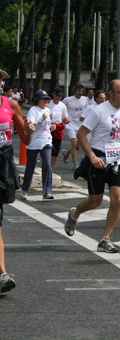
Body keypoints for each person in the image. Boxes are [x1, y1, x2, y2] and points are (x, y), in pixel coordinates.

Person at [63, 80, 120, 253]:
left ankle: (105, 239)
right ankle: (75, 214)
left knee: (117, 200)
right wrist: (92, 156)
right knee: (95, 202)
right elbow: (81, 134)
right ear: (111, 93)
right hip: (99, 159)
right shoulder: (98, 112)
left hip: (117, 160)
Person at [0, 69, 35, 293]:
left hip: (2, 162)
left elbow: (24, 137)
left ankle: (2, 275)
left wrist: (30, 130)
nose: (0, 82)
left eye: (1, 79)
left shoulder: (10, 105)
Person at [21, 90, 56, 200]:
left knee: (47, 165)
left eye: (47, 99)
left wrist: (52, 127)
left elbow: (47, 126)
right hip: (34, 143)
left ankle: (47, 191)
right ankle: (25, 189)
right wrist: (42, 118)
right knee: (30, 167)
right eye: (44, 99)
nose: (46, 101)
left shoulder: (48, 110)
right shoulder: (33, 110)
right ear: (38, 100)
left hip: (46, 141)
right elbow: (32, 126)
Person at [62, 83, 87, 170]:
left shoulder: (85, 100)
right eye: (79, 91)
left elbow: (88, 110)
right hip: (70, 125)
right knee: (73, 143)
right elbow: (61, 107)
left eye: (82, 91)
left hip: (80, 125)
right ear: (75, 91)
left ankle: (66, 153)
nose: (80, 93)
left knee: (78, 146)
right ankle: (75, 164)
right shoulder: (68, 100)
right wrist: (64, 118)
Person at [49, 88, 70, 169]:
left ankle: (51, 168)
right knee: (48, 149)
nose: (59, 98)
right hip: (49, 127)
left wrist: (66, 120)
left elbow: (65, 117)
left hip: (58, 128)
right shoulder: (49, 105)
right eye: (57, 96)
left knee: (55, 151)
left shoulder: (62, 106)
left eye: (60, 96)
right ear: (54, 95)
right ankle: (46, 165)